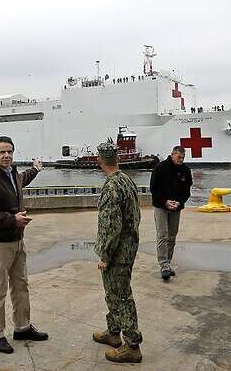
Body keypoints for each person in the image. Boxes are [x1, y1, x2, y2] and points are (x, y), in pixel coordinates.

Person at [0, 136, 49, 354]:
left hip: (17, 241)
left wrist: (36, 169)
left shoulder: (12, 174)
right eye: (2, 152)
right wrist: (12, 219)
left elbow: (21, 180)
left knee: (20, 285)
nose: (6, 155)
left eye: (10, 152)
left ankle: (22, 327)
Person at [92, 142, 143, 363]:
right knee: (112, 291)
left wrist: (105, 256)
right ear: (117, 159)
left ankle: (132, 345)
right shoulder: (127, 180)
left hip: (117, 252)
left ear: (99, 160)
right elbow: (136, 215)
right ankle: (113, 332)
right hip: (129, 246)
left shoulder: (111, 187)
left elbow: (110, 227)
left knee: (121, 296)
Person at [149, 146, 192, 281]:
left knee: (172, 235)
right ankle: (164, 265)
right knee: (162, 235)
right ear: (172, 155)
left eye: (183, 158)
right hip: (161, 207)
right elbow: (153, 188)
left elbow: (187, 191)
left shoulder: (185, 170)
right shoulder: (160, 168)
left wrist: (179, 202)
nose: (181, 160)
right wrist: (165, 202)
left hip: (176, 207)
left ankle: (167, 262)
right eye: (179, 157)